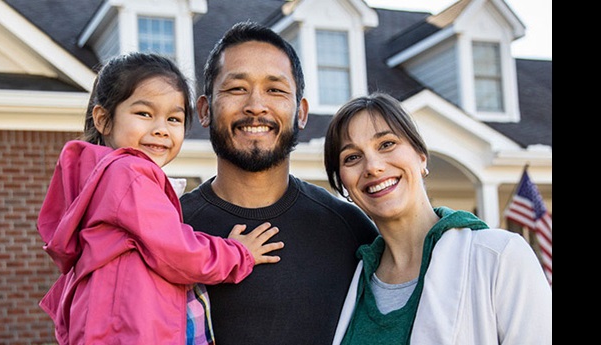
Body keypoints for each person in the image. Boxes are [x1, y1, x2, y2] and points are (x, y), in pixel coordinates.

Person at [36, 51, 286, 345]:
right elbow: (177, 252)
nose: (160, 129)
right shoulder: (128, 173)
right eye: (144, 113)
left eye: (174, 118)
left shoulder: (97, 177)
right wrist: (237, 253)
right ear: (103, 120)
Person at [179, 21, 379, 344]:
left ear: (300, 112)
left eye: (275, 90)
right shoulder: (171, 229)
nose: (256, 106)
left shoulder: (352, 232)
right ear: (204, 110)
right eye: (236, 89)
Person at [323, 92, 553, 344]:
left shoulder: (499, 256)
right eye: (352, 157)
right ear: (343, 183)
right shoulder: (349, 280)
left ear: (421, 157)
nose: (373, 166)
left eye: (386, 144)